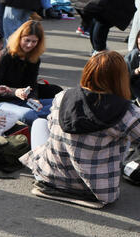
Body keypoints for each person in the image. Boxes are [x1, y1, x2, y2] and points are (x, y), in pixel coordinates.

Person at [22, 51, 140, 208]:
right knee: (126, 138)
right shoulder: (127, 111)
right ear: (121, 77)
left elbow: (51, 127)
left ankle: (47, 173)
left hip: (50, 179)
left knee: (39, 123)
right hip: (97, 190)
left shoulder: (63, 96)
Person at [0, 20, 52, 125]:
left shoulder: (34, 59)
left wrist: (33, 99)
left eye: (34, 42)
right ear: (19, 38)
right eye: (27, 40)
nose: (29, 45)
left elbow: (32, 84)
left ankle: (41, 117)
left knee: (59, 104)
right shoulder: (5, 56)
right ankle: (44, 118)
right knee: (29, 115)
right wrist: (15, 92)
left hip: (22, 101)